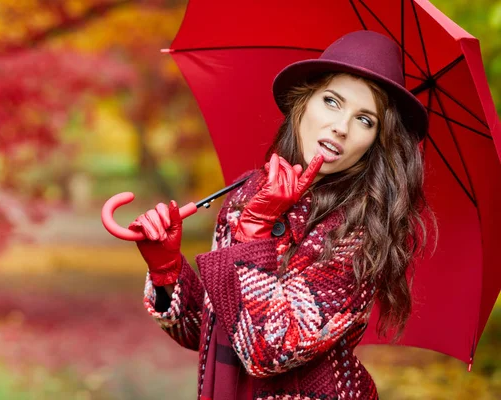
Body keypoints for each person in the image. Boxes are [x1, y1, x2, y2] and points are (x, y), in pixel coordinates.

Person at [128, 30, 436, 400]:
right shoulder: (247, 194)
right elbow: (212, 332)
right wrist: (167, 272)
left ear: (376, 142)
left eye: (365, 120)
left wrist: (253, 236)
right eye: (332, 101)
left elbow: (269, 351)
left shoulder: (361, 232)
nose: (341, 127)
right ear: (302, 103)